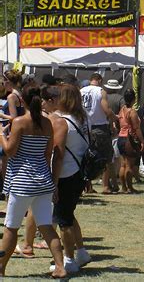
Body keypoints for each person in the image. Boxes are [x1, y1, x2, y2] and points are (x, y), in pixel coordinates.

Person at [0, 84, 66, 278]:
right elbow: (48, 155)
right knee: (46, 226)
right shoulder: (47, 124)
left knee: (11, 227)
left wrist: (2, 136)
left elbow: (10, 151)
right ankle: (60, 267)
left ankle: (1, 267)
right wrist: (53, 184)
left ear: (23, 101)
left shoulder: (20, 121)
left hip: (22, 183)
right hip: (43, 181)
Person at [49, 84, 92, 273]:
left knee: (63, 220)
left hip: (66, 173)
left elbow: (58, 155)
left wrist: (54, 182)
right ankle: (81, 252)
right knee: (69, 214)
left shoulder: (62, 121)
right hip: (79, 172)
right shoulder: (83, 119)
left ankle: (69, 259)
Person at [80, 73, 117, 194]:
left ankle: (88, 185)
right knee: (104, 156)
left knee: (87, 156)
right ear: (100, 80)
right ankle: (105, 186)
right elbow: (106, 109)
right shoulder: (100, 91)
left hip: (84, 126)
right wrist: (114, 118)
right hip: (99, 127)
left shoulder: (81, 91)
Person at [117, 89, 144, 194]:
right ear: (134, 99)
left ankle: (124, 187)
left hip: (121, 137)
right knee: (129, 165)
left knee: (123, 164)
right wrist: (142, 141)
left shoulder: (122, 109)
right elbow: (136, 128)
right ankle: (129, 187)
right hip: (129, 139)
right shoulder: (132, 112)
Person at [104, 79, 125, 193]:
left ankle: (108, 182)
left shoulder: (104, 97)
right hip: (117, 130)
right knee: (117, 158)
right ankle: (115, 181)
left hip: (104, 128)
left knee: (108, 158)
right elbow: (123, 113)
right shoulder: (120, 98)